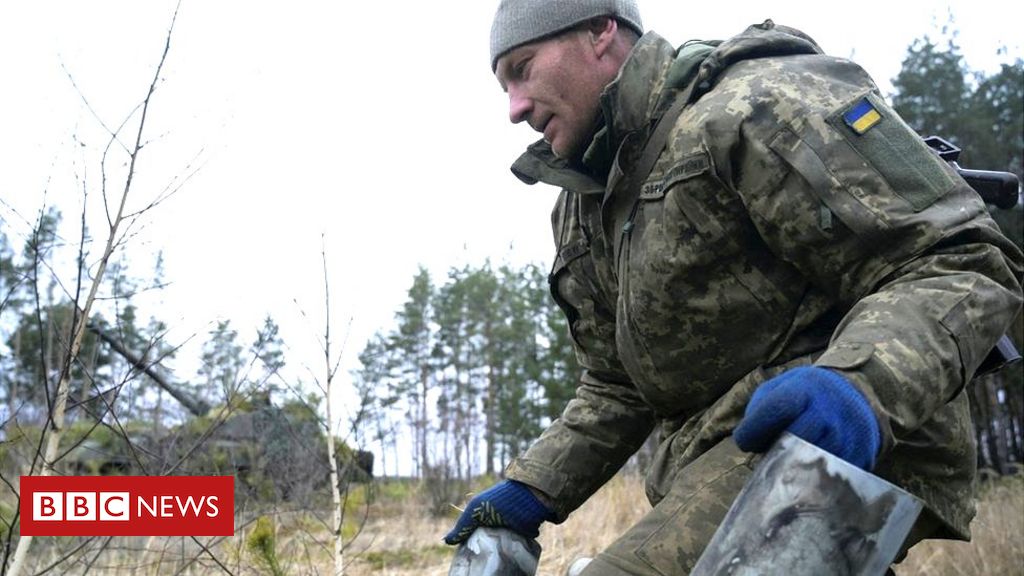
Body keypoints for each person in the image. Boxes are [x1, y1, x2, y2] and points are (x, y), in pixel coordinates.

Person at [444, 1, 1024, 574]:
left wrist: (857, 389)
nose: (515, 109)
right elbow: (618, 385)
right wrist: (531, 488)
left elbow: (959, 259)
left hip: (855, 435)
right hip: (718, 460)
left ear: (600, 30)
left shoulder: (754, 103)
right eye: (503, 87)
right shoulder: (582, 205)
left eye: (523, 68)